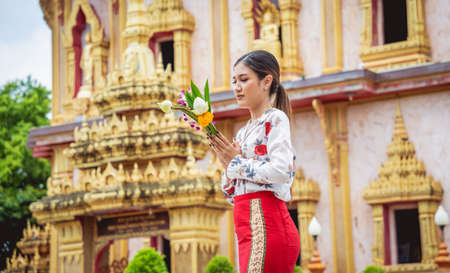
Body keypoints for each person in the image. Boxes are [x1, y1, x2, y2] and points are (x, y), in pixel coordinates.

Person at [208, 50, 300, 273]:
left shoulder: (275, 119)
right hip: (245, 224)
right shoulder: (242, 133)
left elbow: (281, 170)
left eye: (244, 79)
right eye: (234, 81)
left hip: (267, 223)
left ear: (266, 81)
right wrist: (227, 166)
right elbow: (231, 194)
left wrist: (236, 163)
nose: (236, 87)